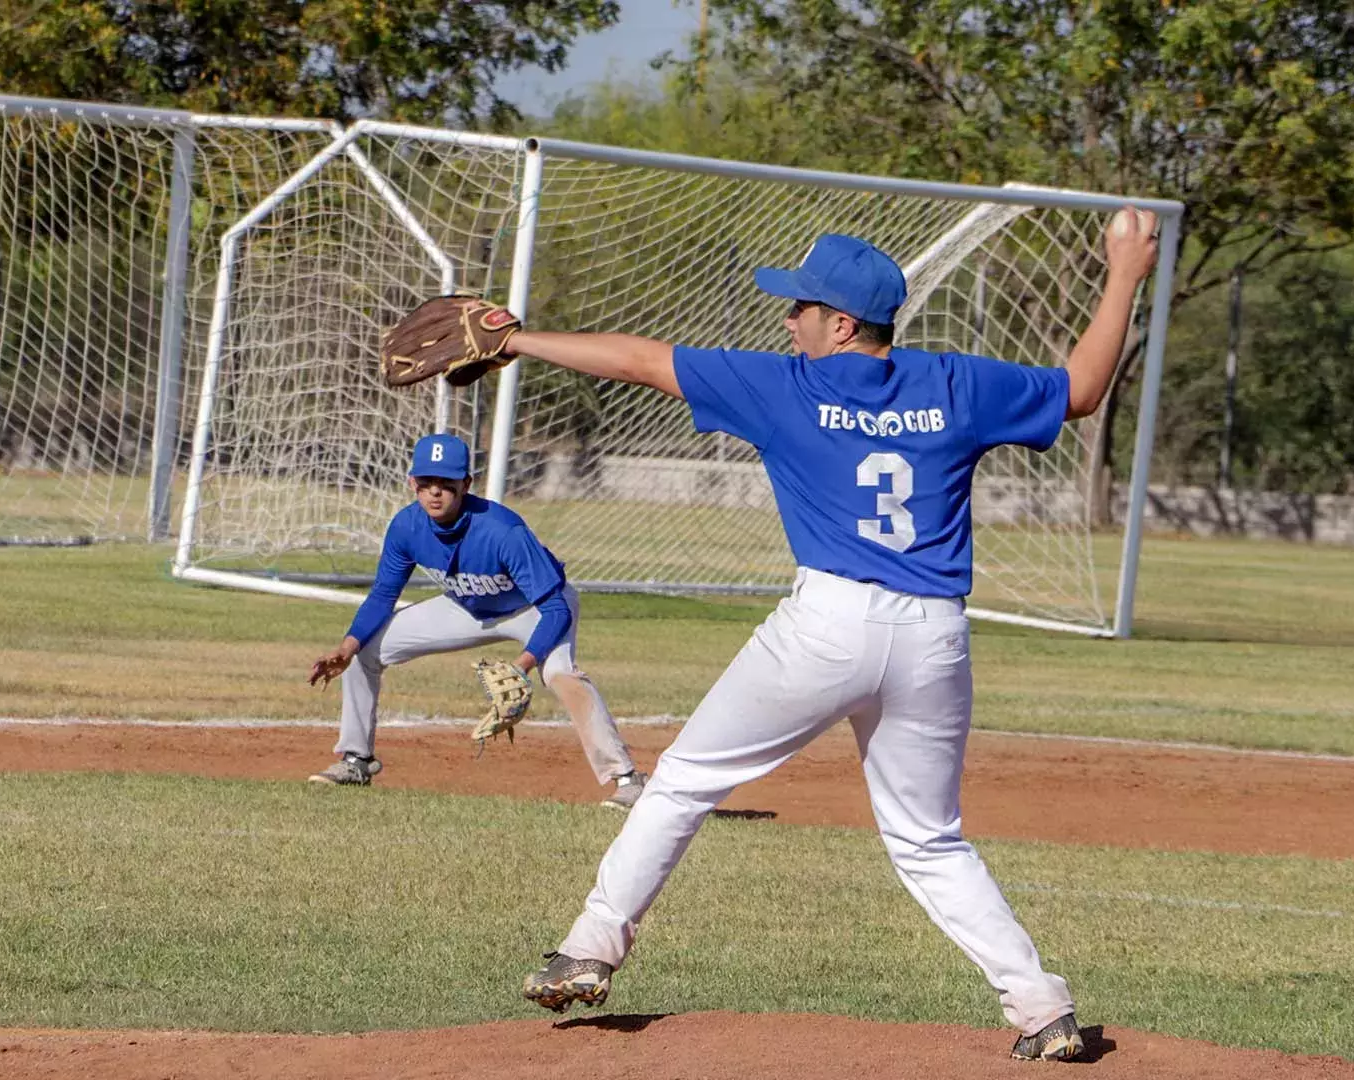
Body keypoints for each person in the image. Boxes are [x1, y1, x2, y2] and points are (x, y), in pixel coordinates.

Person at [506, 213, 1159, 1061]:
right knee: (929, 839)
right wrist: (1124, 274)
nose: (788, 321)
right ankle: (1041, 1010)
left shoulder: (786, 387)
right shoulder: (955, 383)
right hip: (934, 637)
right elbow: (1079, 392)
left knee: (683, 784)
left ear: (841, 324)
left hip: (826, 625)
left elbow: (637, 358)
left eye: (801, 308)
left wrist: (518, 340)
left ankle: (589, 951)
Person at [306, 433, 648, 810]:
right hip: (466, 607)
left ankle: (628, 779)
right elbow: (383, 595)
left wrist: (523, 666)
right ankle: (356, 760)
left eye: (447, 485)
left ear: (466, 485)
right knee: (365, 651)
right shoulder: (406, 527)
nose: (435, 493)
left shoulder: (503, 531)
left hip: (535, 608)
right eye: (426, 484)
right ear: (412, 483)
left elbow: (556, 610)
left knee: (562, 676)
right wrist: (347, 646)